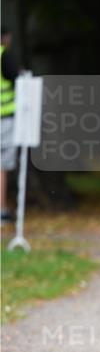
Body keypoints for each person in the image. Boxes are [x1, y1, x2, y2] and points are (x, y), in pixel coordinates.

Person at [1, 26, 19, 223]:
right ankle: (1, 209)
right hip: (4, 117)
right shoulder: (4, 56)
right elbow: (18, 79)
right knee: (2, 166)